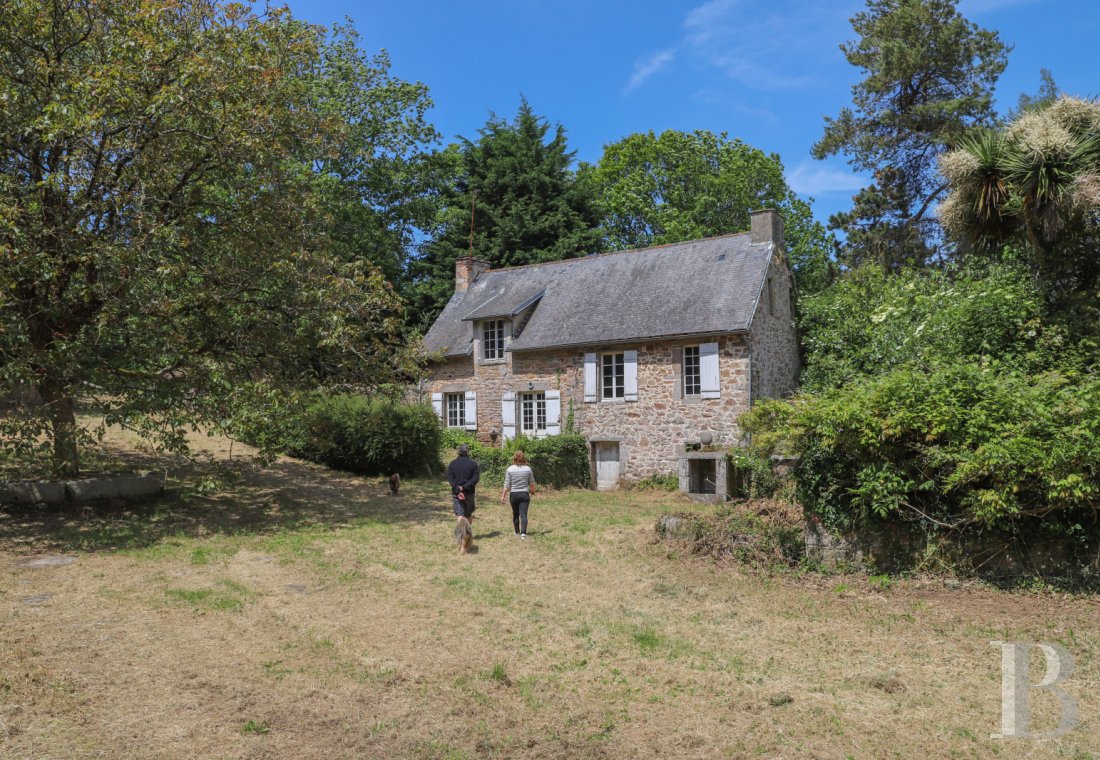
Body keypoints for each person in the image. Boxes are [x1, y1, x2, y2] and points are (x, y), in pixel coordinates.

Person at [500, 450, 535, 538]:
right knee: (523, 514)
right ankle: (523, 533)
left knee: (515, 514)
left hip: (514, 495)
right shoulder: (528, 469)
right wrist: (533, 490)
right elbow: (532, 483)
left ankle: (517, 532)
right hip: (524, 494)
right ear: (523, 458)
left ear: (514, 458)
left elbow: (507, 485)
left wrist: (503, 496)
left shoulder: (510, 469)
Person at [446, 443, 480, 528]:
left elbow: (450, 479)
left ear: (459, 452)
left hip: (456, 493)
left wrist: (458, 488)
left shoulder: (452, 464)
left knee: (460, 514)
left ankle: (461, 534)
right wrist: (464, 487)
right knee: (468, 514)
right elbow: (475, 478)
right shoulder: (473, 464)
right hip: (469, 492)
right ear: (468, 452)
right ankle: (468, 534)